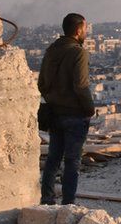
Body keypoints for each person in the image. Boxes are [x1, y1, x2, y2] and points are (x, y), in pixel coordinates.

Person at [38, 13, 94, 205]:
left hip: (54, 113)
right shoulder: (78, 52)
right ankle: (68, 204)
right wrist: (89, 108)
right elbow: (81, 85)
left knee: (53, 159)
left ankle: (47, 199)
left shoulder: (51, 50)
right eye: (85, 28)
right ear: (78, 30)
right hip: (75, 114)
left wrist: (54, 99)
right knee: (72, 161)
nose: (86, 32)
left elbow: (41, 84)